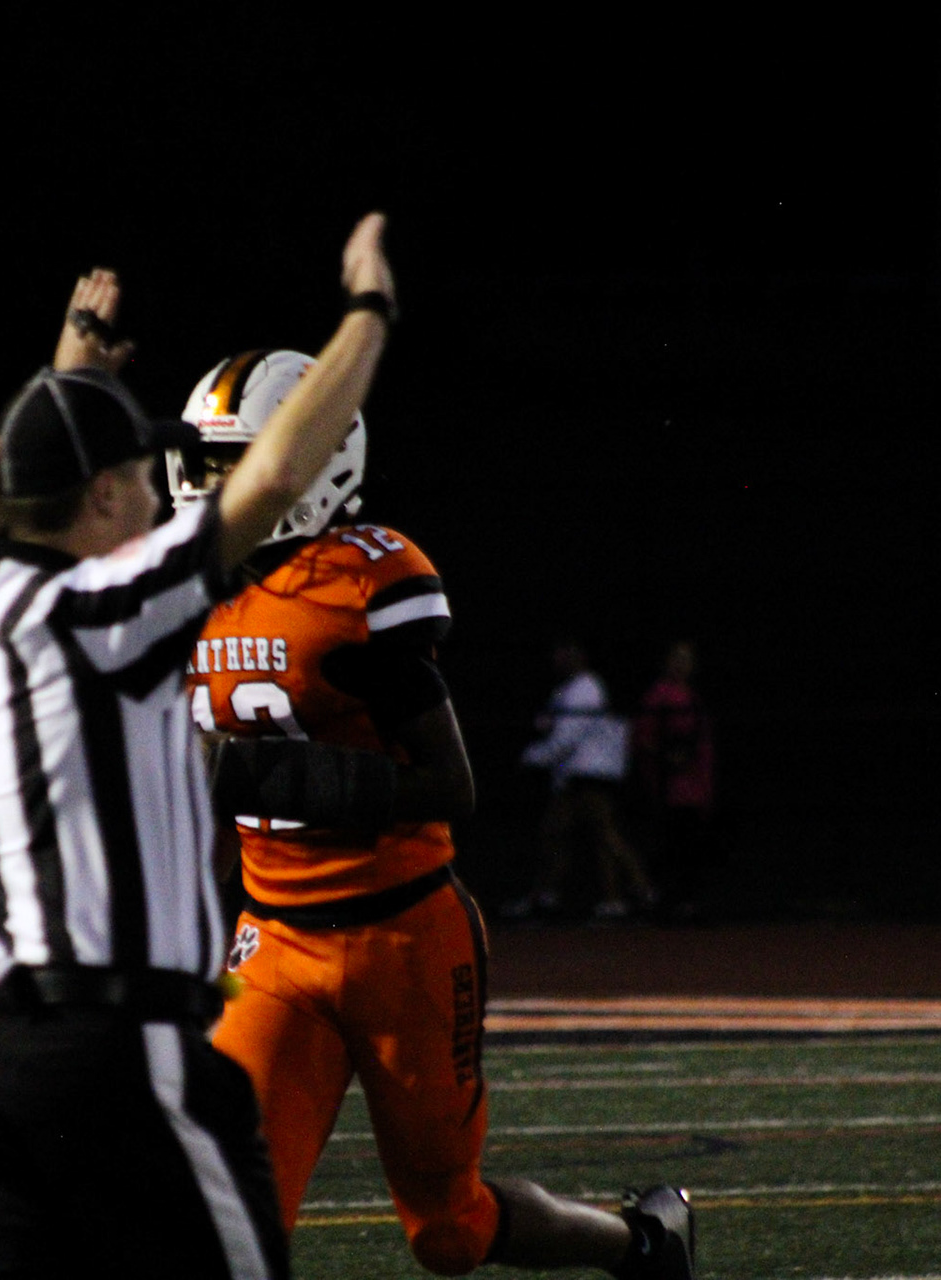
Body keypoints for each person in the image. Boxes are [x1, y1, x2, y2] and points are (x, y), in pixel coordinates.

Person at [0, 214, 396, 1279]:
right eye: (133, 474)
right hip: (122, 1045)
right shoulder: (104, 613)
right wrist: (368, 312)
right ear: (99, 494)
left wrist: (63, 378)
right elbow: (274, 480)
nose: (157, 492)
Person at [171, 355, 696, 1278]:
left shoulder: (355, 583)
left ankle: (645, 1242)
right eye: (205, 463)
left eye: (234, 461)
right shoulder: (177, 595)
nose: (215, 486)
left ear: (316, 462)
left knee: (448, 1231)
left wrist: (279, 779)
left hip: (403, 941)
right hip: (275, 946)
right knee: (226, 1219)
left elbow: (451, 786)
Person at [512, 639, 657, 923]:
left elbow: (566, 738)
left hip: (588, 774)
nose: (557, 658)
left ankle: (640, 892)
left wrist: (532, 757)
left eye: (563, 652)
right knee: (580, 835)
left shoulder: (585, 688)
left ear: (577, 655)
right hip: (579, 774)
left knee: (577, 834)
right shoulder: (567, 689)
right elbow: (551, 725)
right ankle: (613, 897)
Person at [632, 641, 717, 922]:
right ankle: (668, 903)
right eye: (676, 658)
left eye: (687, 659)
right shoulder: (658, 695)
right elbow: (644, 738)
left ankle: (689, 903)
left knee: (693, 844)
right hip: (670, 785)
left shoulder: (692, 696)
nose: (681, 664)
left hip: (696, 782)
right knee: (671, 843)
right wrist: (669, 757)